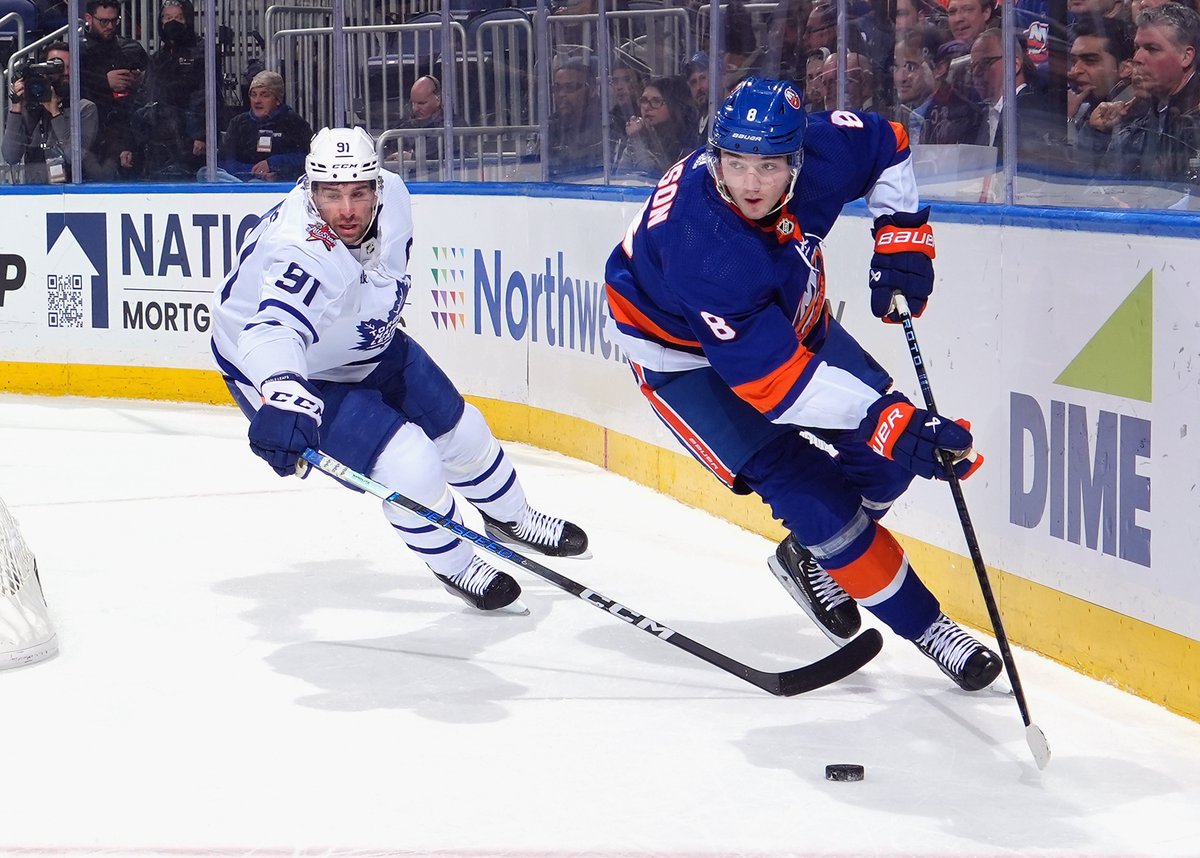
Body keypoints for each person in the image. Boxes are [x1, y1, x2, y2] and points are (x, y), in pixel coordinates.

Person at [603, 77, 1003, 692]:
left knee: (887, 462)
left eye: (766, 166)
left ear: (797, 156)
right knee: (816, 496)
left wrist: (901, 236)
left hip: (783, 313)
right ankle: (928, 629)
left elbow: (887, 144)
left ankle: (814, 558)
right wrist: (889, 422)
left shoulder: (823, 151)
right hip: (682, 357)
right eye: (734, 163)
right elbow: (777, 387)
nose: (751, 184)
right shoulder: (703, 246)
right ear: (716, 154)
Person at [210, 127, 588, 613]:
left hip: (369, 342)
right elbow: (271, 330)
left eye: (357, 193)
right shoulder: (303, 249)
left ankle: (513, 518)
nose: (346, 211)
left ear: (377, 187)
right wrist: (284, 392)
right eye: (330, 195)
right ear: (310, 190)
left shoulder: (397, 196)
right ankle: (458, 566)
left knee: (465, 435)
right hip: (306, 369)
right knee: (412, 467)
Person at [1093, 3, 1200, 182]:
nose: (1137, 59)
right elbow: (1094, 191)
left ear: (1186, 56)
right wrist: (1095, 134)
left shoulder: (1193, 123)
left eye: (1152, 49)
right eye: (1137, 48)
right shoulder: (1134, 121)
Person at [130, 0, 206, 180]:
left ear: (188, 20)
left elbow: (206, 95)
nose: (173, 22)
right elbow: (145, 95)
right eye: (168, 17)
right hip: (159, 137)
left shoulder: (203, 51)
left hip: (189, 139)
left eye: (179, 17)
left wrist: (202, 134)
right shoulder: (158, 57)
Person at [3, 41, 100, 183]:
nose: (66, 72)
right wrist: (17, 107)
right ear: (44, 70)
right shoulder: (31, 108)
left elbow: (74, 157)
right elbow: (10, 156)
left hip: (76, 192)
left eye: (69, 67)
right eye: (57, 68)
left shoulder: (85, 109)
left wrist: (55, 113)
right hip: (36, 193)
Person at [78, 0, 147, 178]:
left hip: (128, 124)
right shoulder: (78, 52)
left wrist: (141, 80)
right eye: (104, 21)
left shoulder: (132, 48)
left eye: (114, 21)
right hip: (92, 130)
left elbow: (152, 83)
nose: (110, 26)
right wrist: (103, 81)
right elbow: (71, 89)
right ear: (88, 18)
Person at [216, 70, 312, 182]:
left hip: (280, 184)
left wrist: (273, 164)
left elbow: (308, 158)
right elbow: (224, 161)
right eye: (253, 95)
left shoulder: (293, 122)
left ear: (277, 99)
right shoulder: (238, 123)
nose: (257, 101)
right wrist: (253, 172)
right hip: (241, 183)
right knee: (205, 173)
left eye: (264, 95)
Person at [1067, 17, 1136, 171]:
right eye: (1073, 61)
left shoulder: (1134, 116)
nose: (1074, 71)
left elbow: (1086, 179)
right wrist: (1069, 120)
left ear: (1126, 68)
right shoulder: (1082, 107)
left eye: (1090, 61)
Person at [614, 76, 700, 178]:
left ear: (674, 105)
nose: (646, 107)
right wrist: (635, 140)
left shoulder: (691, 144)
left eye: (656, 101)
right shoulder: (643, 133)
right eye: (644, 100)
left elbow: (652, 178)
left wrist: (637, 140)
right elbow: (620, 178)